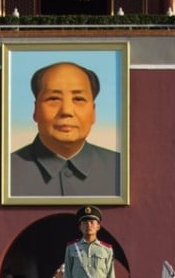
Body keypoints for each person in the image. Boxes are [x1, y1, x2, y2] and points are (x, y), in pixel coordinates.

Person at [10, 62, 120, 197]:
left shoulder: (121, 169)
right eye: (54, 98)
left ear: (93, 112)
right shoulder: (5, 171)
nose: (66, 111)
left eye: (78, 99)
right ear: (35, 110)